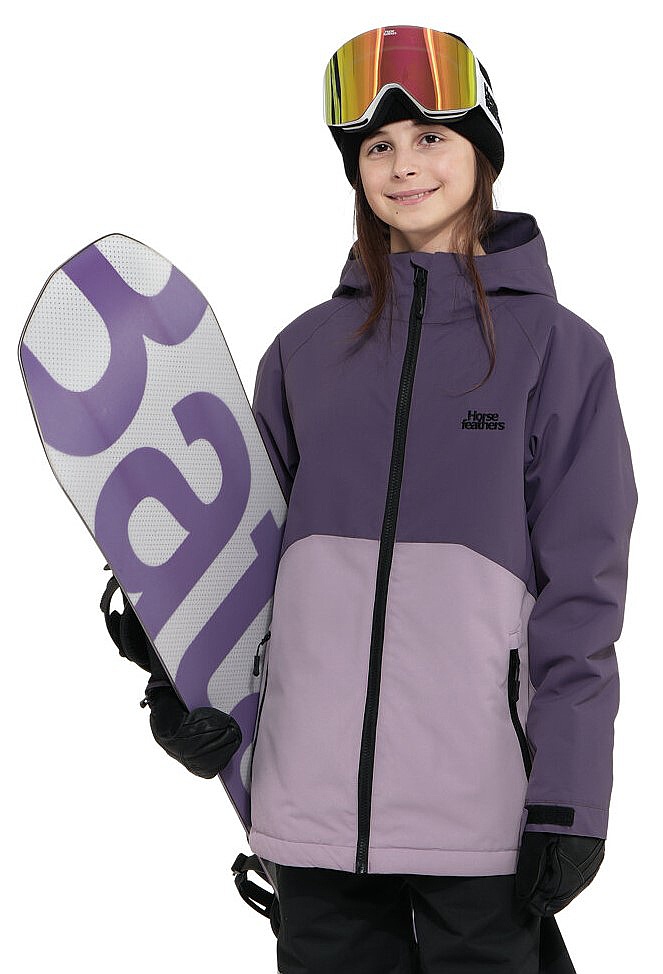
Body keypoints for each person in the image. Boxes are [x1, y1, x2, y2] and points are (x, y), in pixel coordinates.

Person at [107, 25, 638, 974]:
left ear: (482, 151)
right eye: (376, 147)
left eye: (431, 137)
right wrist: (179, 686)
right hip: (309, 808)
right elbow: (235, 559)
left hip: (478, 808)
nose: (403, 166)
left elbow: (584, 593)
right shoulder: (305, 351)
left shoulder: (558, 353)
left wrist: (570, 797)